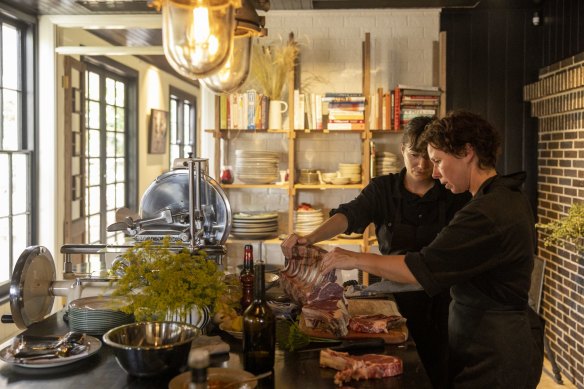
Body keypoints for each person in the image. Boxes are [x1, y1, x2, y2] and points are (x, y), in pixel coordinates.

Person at [318, 110, 544, 388]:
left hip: (495, 353)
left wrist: (352, 258)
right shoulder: (501, 197)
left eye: (437, 160)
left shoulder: (486, 212)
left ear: (467, 152)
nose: (433, 171)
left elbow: (421, 267)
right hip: (487, 344)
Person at [281, 116, 471, 388]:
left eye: (429, 158)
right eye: (414, 155)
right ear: (402, 150)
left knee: (436, 375)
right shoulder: (383, 189)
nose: (422, 165)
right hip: (392, 301)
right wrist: (309, 238)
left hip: (442, 303)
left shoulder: (452, 192)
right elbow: (350, 215)